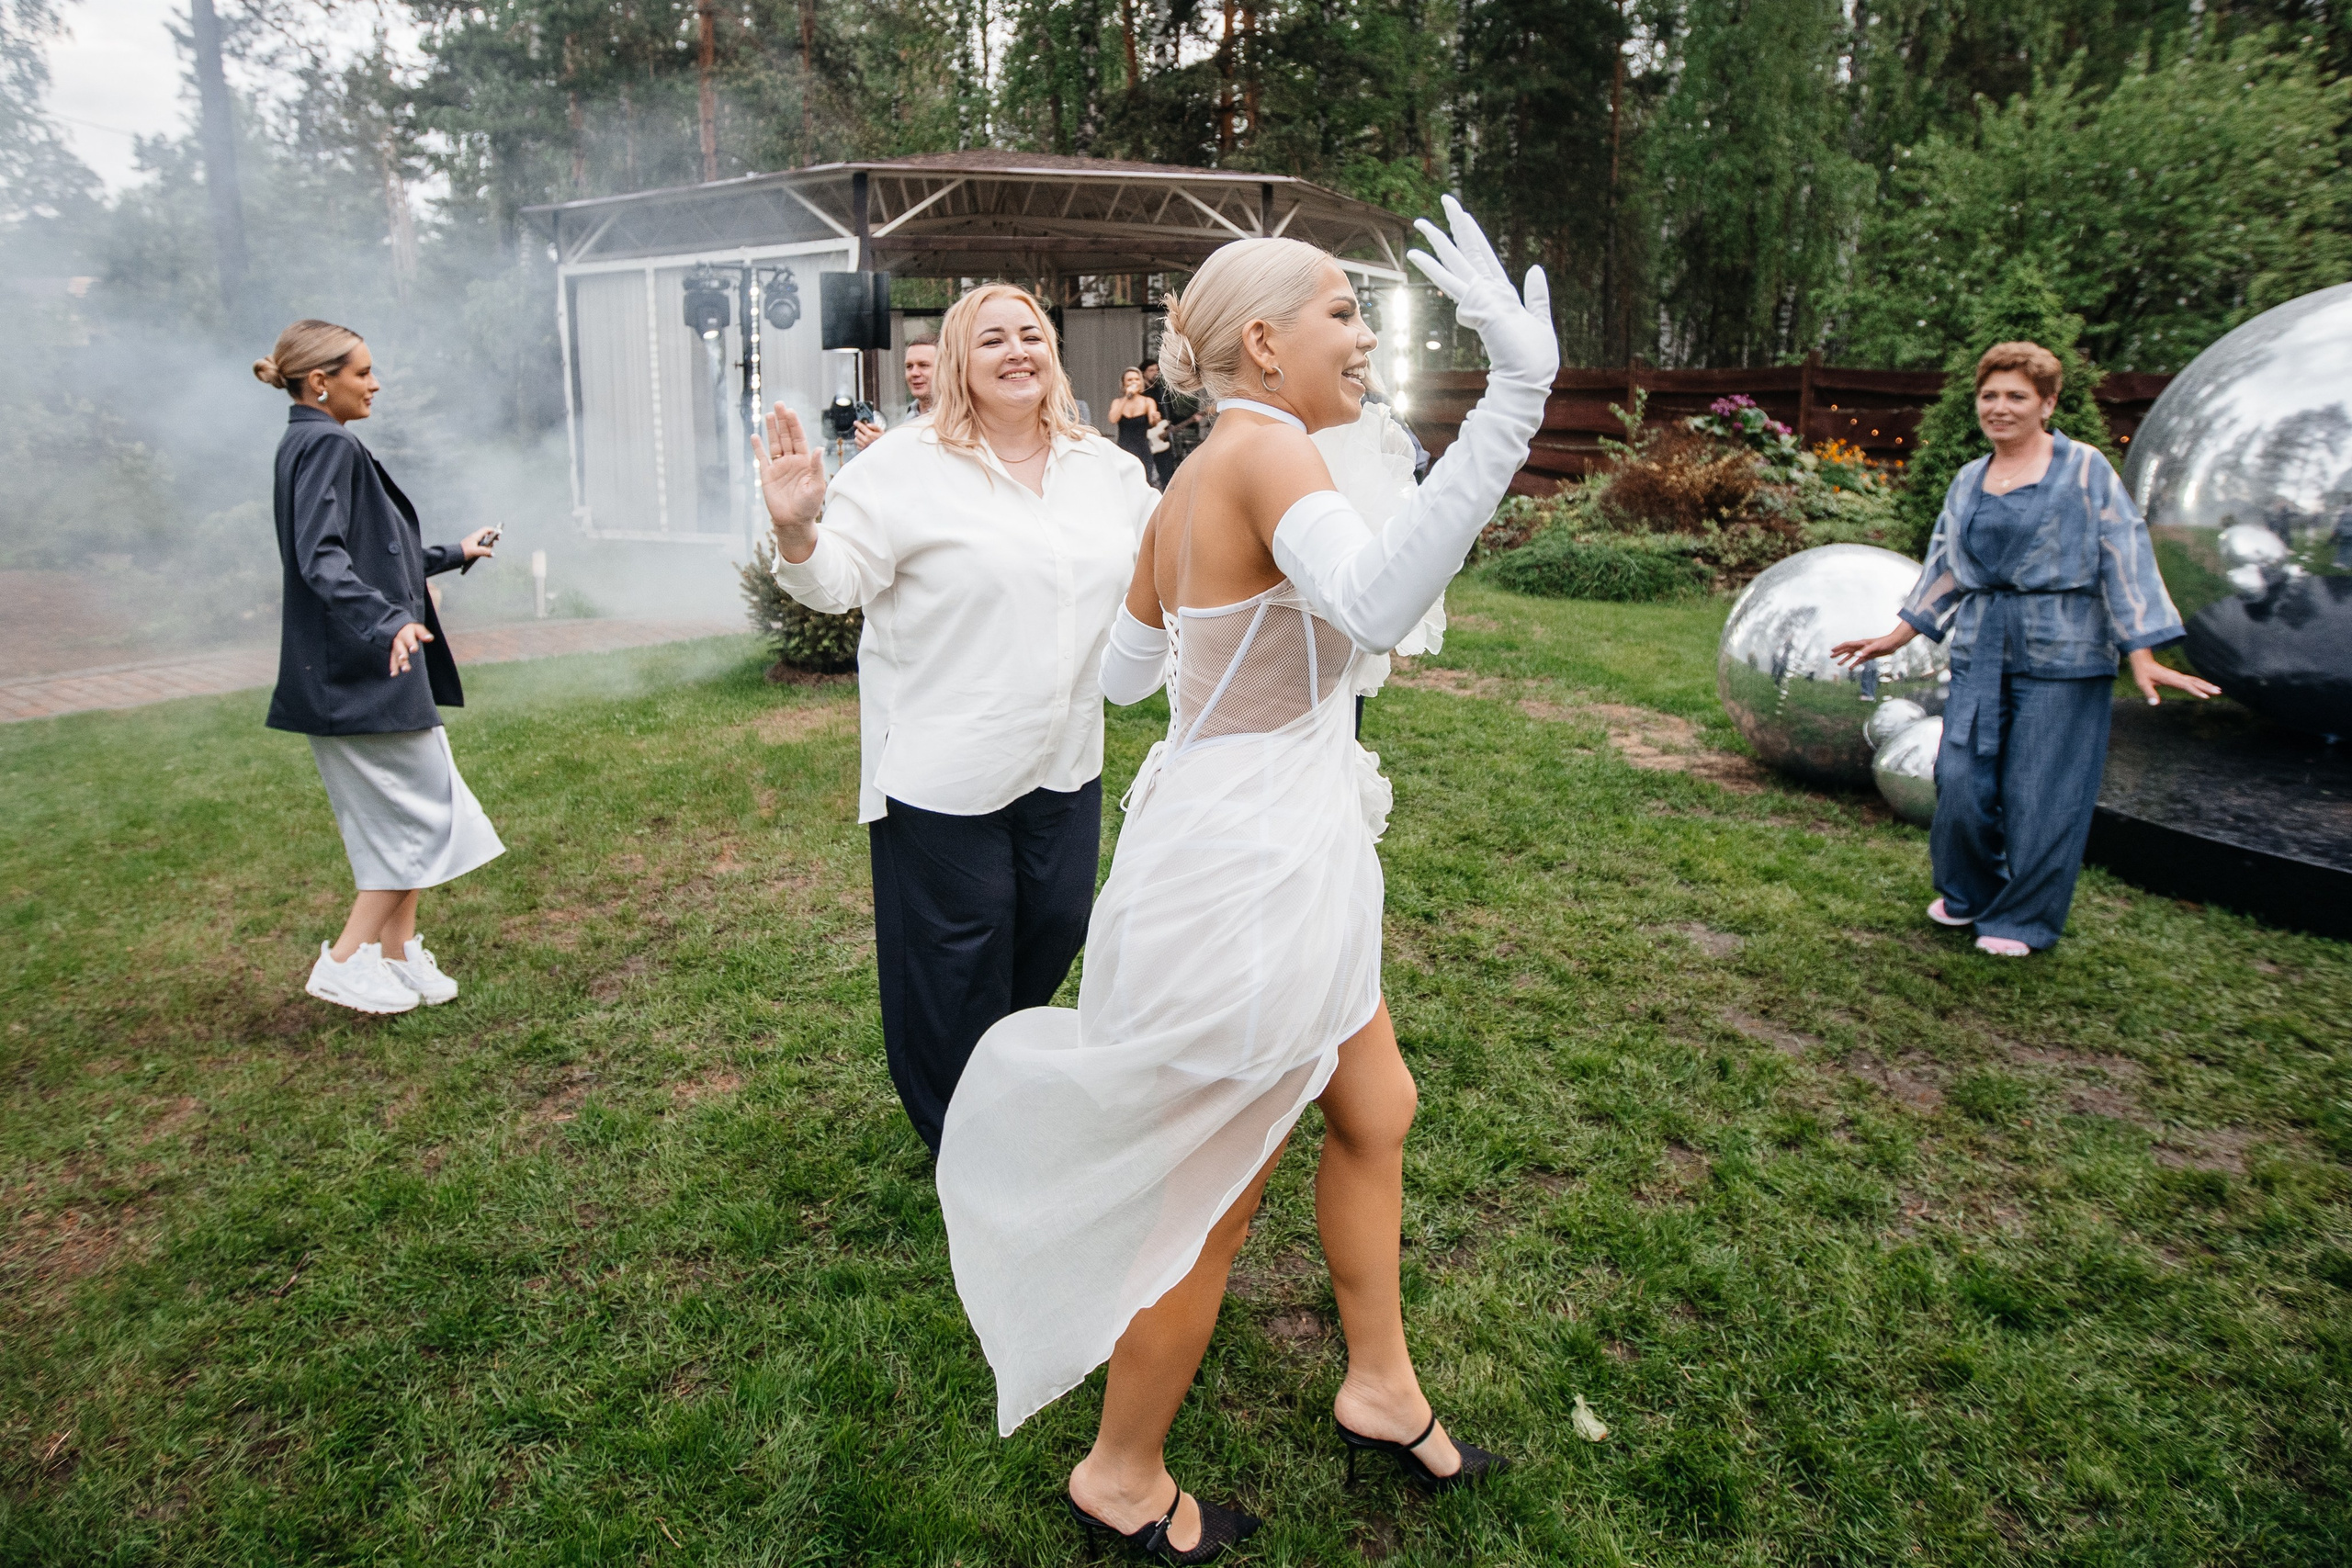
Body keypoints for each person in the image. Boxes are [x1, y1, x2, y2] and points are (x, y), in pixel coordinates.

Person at [935, 198, 1555, 1560]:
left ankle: (1380, 1383)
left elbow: (1124, 675)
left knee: (1375, 1099)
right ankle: (1120, 1471)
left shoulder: (1202, 476)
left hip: (1256, 828)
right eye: (1343, 310)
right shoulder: (1268, 459)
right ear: (1263, 345)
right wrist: (1517, 394)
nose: (1363, 334)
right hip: (1254, 870)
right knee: (1210, 1192)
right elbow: (1376, 601)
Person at [753, 285, 1159, 1154]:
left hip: (1065, 759)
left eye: (1031, 336)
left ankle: (1000, 1082)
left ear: (1052, 353)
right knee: (954, 958)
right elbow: (836, 582)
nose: (1017, 352)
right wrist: (797, 531)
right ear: (959, 366)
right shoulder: (904, 467)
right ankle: (962, 1141)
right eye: (992, 341)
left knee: (1051, 935)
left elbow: (1173, 567)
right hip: (944, 767)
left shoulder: (1108, 471)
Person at [1832, 341, 2217, 956]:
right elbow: (1946, 564)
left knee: (2042, 790)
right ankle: (1970, 891)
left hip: (2065, 651)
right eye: (1989, 395)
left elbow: (2124, 553)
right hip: (1983, 647)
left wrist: (2141, 648)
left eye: (2017, 396)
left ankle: (2023, 918)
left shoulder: (2085, 469)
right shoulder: (1968, 479)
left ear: (2047, 403)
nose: (2000, 407)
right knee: (1958, 777)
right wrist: (1898, 632)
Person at [254, 320, 505, 1014]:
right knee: (432, 818)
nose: (375, 382)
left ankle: (397, 954)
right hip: (361, 672)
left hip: (365, 672)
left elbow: (376, 552)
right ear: (319, 381)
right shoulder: (326, 444)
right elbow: (322, 558)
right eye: (363, 371)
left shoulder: (309, 441)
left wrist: (453, 552)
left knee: (404, 818)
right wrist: (389, 621)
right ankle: (345, 960)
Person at [853, 327, 940, 451]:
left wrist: (883, 446)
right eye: (909, 366)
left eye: (923, 365)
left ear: (945, 369)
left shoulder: (958, 420)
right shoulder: (906, 417)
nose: (914, 373)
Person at [1108, 366, 1164, 487]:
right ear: (1123, 384)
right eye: (1130, 380)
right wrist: (1126, 397)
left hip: (1142, 450)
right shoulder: (1117, 402)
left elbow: (1152, 422)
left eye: (1137, 379)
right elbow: (1113, 419)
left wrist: (1156, 419)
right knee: (1122, 485)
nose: (1134, 382)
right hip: (1123, 449)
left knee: (1143, 485)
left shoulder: (1147, 401)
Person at [1140, 360, 1180, 488]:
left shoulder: (1162, 392)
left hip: (1162, 437)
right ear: (1143, 373)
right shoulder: (1140, 394)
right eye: (1151, 370)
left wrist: (1192, 418)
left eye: (1157, 370)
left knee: (1167, 475)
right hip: (1143, 438)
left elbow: (1170, 415)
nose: (1155, 373)